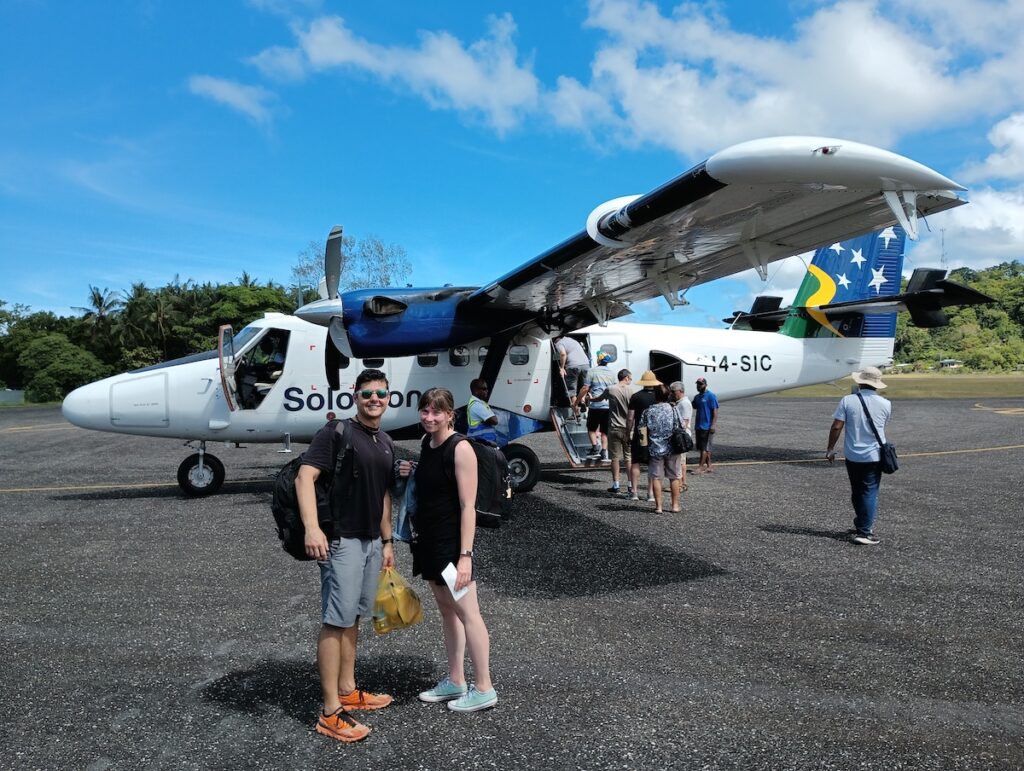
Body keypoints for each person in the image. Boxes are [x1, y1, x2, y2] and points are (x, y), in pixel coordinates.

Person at [296, 369, 397, 743]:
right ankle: (329, 711)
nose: (375, 398)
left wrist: (387, 543)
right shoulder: (336, 432)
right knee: (335, 620)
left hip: (371, 543)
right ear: (355, 396)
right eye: (367, 392)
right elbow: (304, 478)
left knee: (354, 616)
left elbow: (385, 495)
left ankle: (347, 689)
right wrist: (312, 528)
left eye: (381, 393)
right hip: (340, 541)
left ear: (389, 397)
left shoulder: (384, 440)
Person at [405, 387, 497, 712]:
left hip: (451, 546)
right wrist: (413, 472)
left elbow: (468, 506)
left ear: (450, 414)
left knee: (469, 614)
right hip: (429, 542)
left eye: (437, 412)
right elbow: (436, 486)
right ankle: (456, 679)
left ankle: (484, 687)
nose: (430, 417)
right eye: (425, 411)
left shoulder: (460, 448)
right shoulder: (428, 444)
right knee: (447, 611)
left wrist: (465, 556)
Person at [825, 366, 892, 546]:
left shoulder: (847, 400)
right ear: (877, 384)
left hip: (853, 455)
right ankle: (864, 531)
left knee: (857, 491)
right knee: (869, 491)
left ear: (860, 382)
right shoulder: (886, 404)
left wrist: (830, 448)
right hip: (874, 455)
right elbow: (881, 426)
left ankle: (861, 524)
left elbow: (837, 426)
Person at [640, 386, 684, 514]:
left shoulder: (648, 411)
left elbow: (642, 429)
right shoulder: (673, 409)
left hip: (655, 448)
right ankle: (675, 506)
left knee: (656, 478)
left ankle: (658, 507)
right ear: (668, 396)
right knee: (674, 477)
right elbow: (681, 425)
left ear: (656, 396)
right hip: (672, 447)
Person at [627, 371, 662, 502]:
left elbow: (630, 418)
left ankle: (634, 492)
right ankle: (650, 493)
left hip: (640, 432)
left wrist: (627, 433)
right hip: (654, 433)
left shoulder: (635, 396)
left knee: (635, 461)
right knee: (652, 463)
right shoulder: (658, 397)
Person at [576, 351, 617, 460]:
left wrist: (577, 401)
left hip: (596, 405)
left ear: (598, 360)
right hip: (608, 406)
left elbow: (585, 388)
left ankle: (595, 448)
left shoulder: (592, 371)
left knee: (591, 428)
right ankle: (604, 451)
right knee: (605, 430)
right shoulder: (612, 373)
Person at [604, 369, 635, 495]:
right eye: (630, 378)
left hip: (614, 428)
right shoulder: (632, 391)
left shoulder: (611, 389)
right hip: (628, 429)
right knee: (628, 457)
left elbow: (598, 398)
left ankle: (616, 485)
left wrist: (590, 398)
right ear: (626, 377)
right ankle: (630, 485)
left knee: (615, 458)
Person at [555, 335, 589, 413]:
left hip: (573, 365)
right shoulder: (572, 340)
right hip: (585, 364)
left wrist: (562, 368)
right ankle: (583, 401)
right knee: (584, 386)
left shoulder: (559, 343)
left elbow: (563, 354)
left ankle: (576, 412)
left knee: (571, 391)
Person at [668, 381, 693, 491]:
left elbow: (685, 421)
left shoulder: (684, 403)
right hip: (679, 435)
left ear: (681, 391)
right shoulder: (679, 402)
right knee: (679, 461)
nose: (672, 394)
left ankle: (681, 484)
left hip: (682, 436)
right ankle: (680, 483)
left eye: (674, 391)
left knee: (681, 461)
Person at [692, 377, 719, 474]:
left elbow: (715, 412)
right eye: (697, 384)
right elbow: (693, 406)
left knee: (704, 448)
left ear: (705, 385)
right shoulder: (697, 397)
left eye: (701, 384)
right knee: (703, 447)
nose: (699, 386)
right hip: (699, 425)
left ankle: (700, 467)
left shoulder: (711, 396)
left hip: (707, 426)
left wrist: (713, 425)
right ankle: (709, 466)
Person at [466, 378, 499, 444]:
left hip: (484, 442)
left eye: (487, 389)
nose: (487, 391)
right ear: (476, 391)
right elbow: (495, 420)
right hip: (481, 443)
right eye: (484, 389)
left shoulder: (481, 403)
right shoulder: (476, 405)